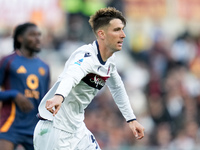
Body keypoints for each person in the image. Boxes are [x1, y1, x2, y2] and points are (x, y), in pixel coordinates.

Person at [34, 7, 145, 150]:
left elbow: (117, 88)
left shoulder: (110, 62)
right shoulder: (86, 56)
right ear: (102, 34)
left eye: (122, 29)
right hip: (55, 128)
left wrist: (131, 120)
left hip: (77, 129)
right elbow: (72, 75)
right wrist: (59, 96)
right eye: (117, 30)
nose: (123, 35)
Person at [0, 23, 50, 150]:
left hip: (35, 127)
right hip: (11, 124)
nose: (38, 38)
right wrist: (14, 94)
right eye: (32, 35)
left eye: (39, 35)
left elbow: (45, 99)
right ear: (20, 38)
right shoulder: (8, 61)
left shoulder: (44, 66)